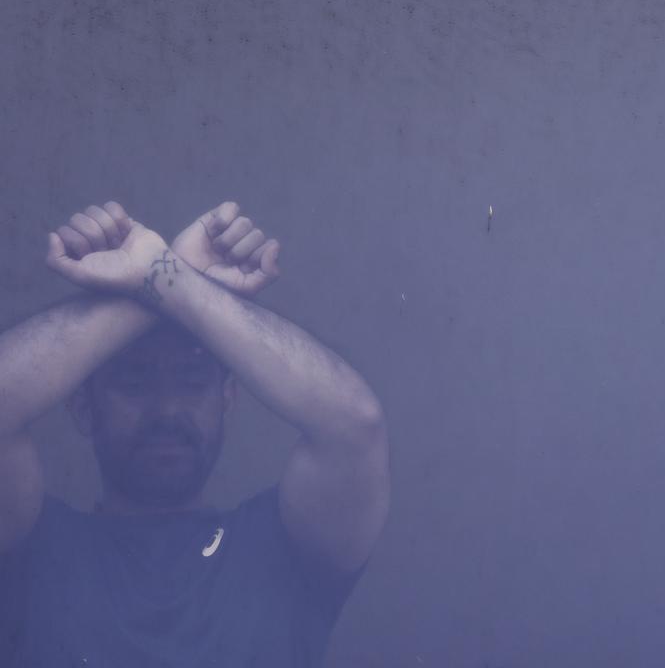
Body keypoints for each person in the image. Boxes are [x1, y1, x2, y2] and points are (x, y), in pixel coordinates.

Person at [0, 201, 390, 667]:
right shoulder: (34, 554)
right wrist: (164, 281)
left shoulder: (280, 552)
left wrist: (169, 280)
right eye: (135, 380)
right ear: (84, 405)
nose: (167, 408)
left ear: (227, 397)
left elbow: (353, 424)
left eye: (192, 379)